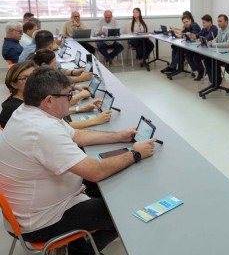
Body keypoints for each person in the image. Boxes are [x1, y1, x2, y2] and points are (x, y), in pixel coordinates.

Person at [0, 67, 156, 255]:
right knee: (120, 209)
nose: (70, 99)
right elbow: (96, 171)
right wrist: (135, 154)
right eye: (68, 95)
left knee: (109, 187)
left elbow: (78, 135)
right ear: (49, 100)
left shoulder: (29, 112)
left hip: (37, 207)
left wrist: (119, 136)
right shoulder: (42, 130)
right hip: (42, 221)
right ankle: (81, 250)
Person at [31, 49, 113, 129]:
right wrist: (95, 120)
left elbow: (55, 112)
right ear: (44, 65)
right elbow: (64, 127)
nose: (57, 67)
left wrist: (82, 108)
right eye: (55, 64)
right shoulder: (43, 85)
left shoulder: (39, 79)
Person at [204, 14, 229, 86]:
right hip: (221, 54)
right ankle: (213, 81)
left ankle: (217, 82)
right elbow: (216, 39)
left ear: (226, 21)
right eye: (218, 21)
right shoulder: (221, 30)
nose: (218, 23)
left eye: (220, 21)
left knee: (214, 61)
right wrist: (211, 41)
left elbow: (228, 44)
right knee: (207, 60)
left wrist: (213, 44)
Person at [0, 61, 36, 128]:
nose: (33, 80)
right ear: (14, 84)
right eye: (25, 78)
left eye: (34, 76)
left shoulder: (32, 99)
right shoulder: (14, 109)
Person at [185, 14, 218, 81]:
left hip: (211, 51)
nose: (202, 24)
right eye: (202, 22)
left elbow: (207, 39)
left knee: (196, 57)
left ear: (210, 22)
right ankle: (198, 70)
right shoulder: (204, 29)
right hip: (203, 49)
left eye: (204, 22)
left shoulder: (214, 29)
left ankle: (202, 72)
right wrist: (190, 35)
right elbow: (196, 36)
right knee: (188, 54)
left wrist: (199, 39)